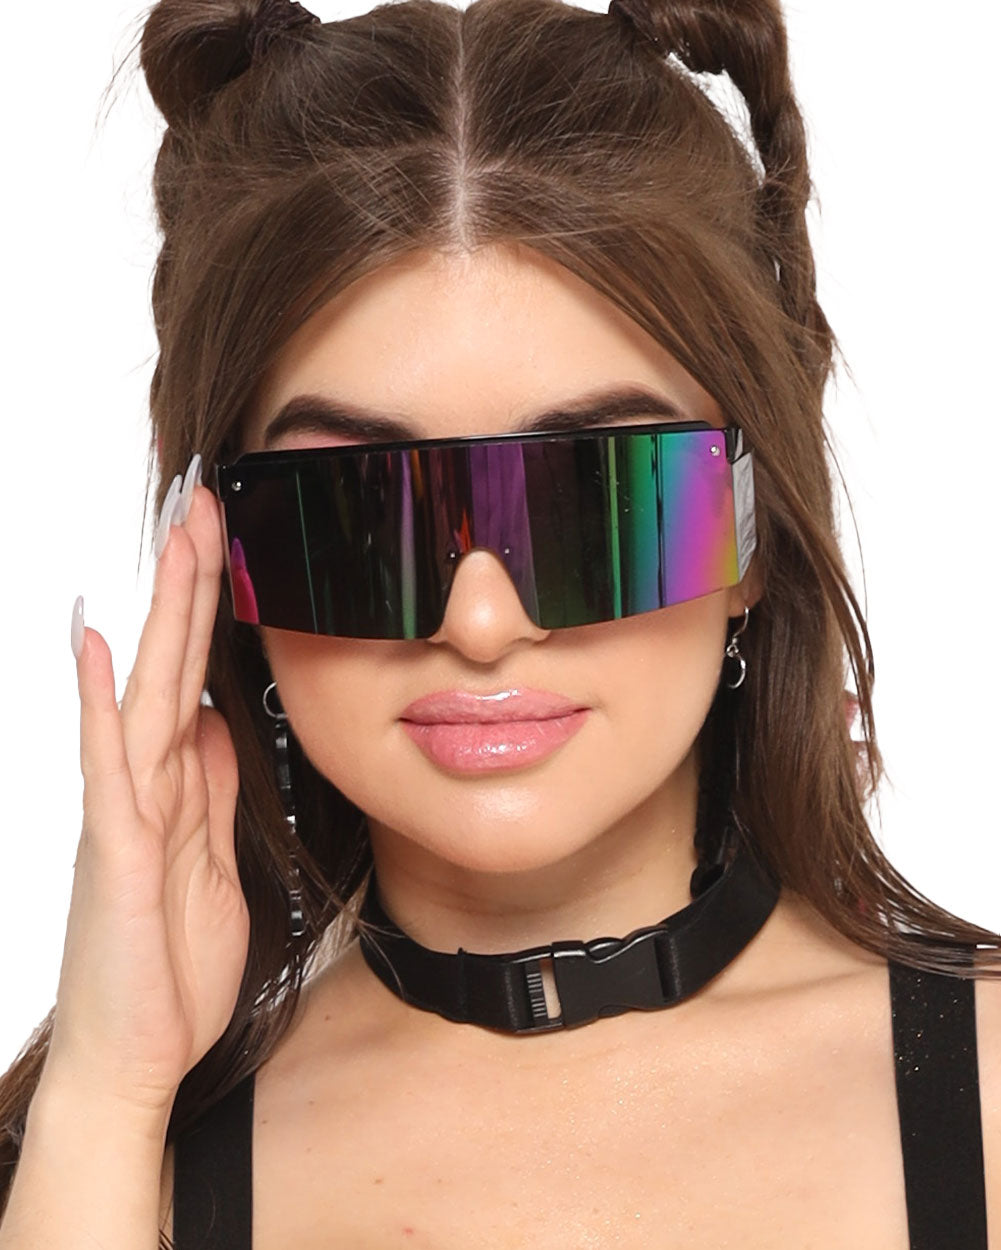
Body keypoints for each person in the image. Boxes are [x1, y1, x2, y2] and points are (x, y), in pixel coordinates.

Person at [1, 0, 999, 1245]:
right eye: (358, 517)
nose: (480, 619)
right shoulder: (107, 1161)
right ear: (225, 556)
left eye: (591, 503)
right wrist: (105, 1094)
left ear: (753, 530)